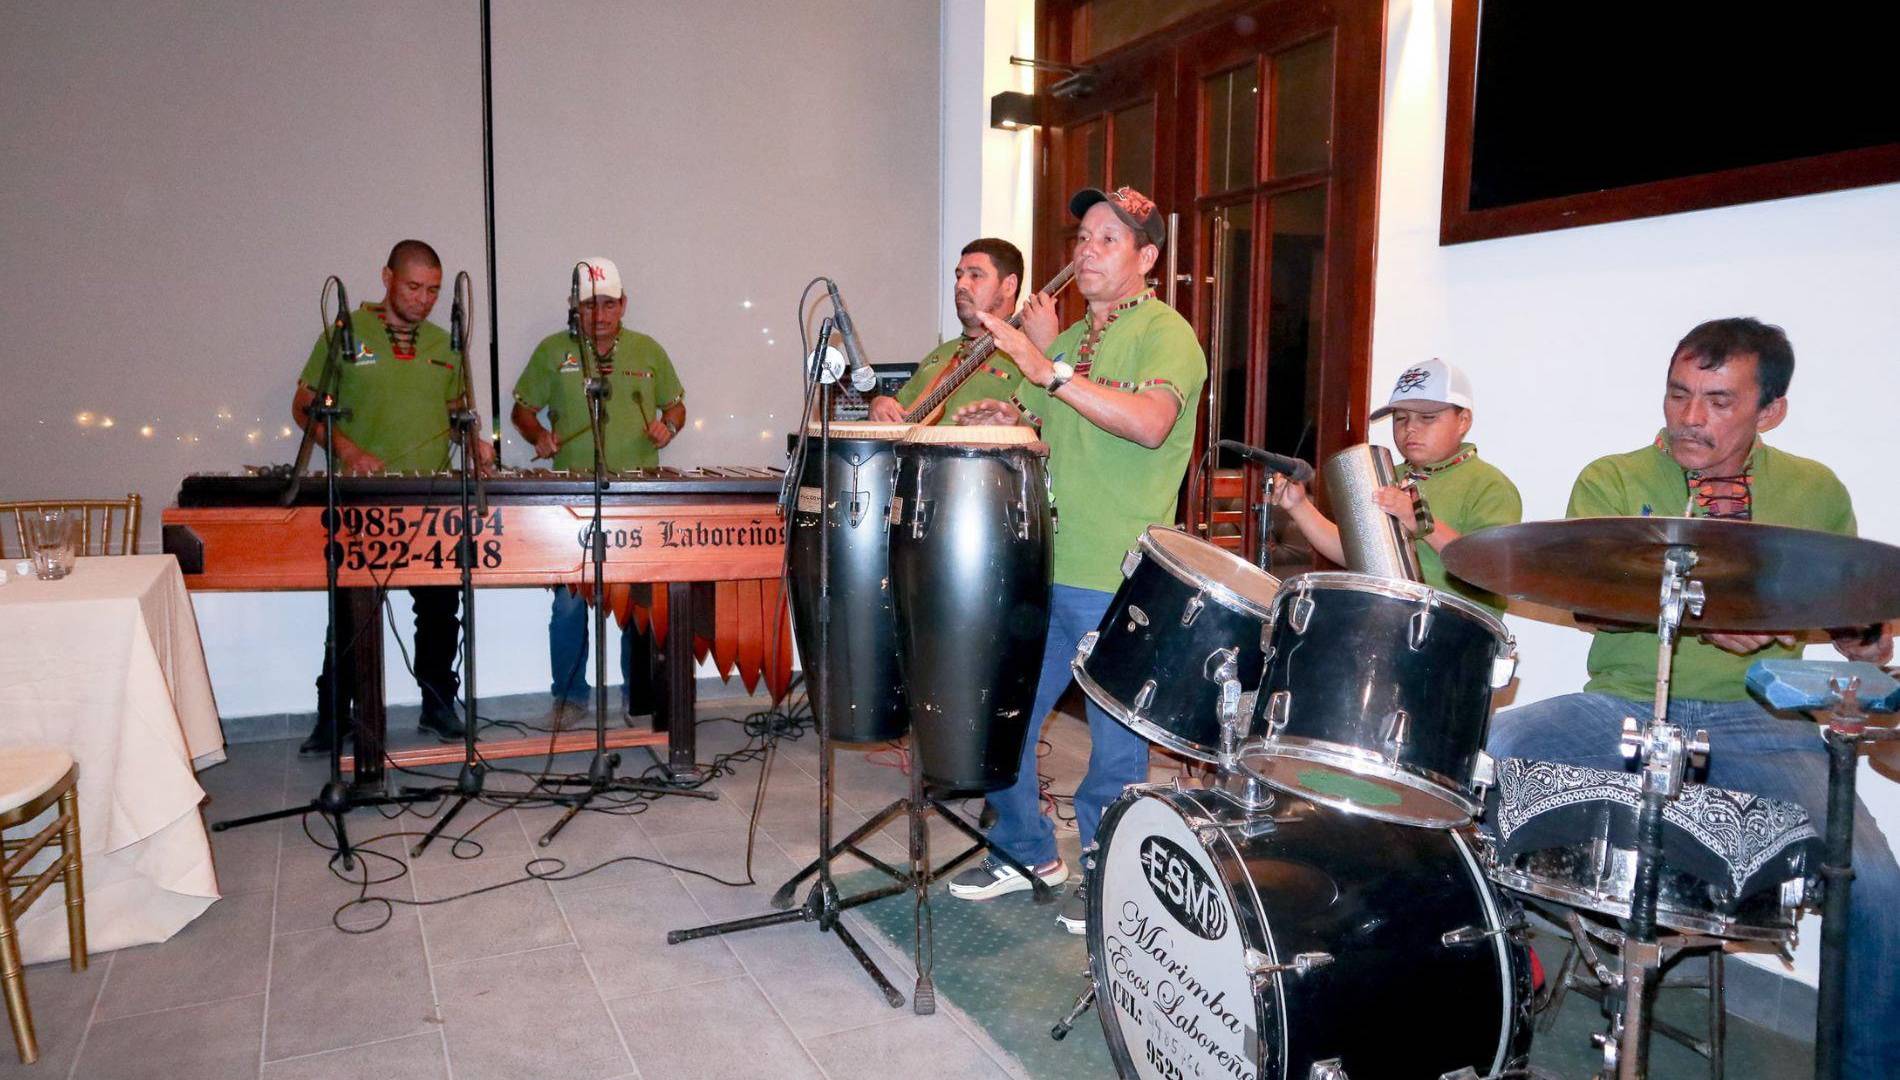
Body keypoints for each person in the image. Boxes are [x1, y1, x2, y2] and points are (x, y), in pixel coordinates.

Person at [1485, 317, 1898, 1073]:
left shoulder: (1814, 492)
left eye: (1718, 401)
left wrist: (1864, 642)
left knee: (1875, 884)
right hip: (1623, 707)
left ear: (1769, 411)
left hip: (1763, 722)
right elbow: (1592, 603)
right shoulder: (1614, 479)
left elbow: (1852, 625)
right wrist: (1714, 612)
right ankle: (1492, 982)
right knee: (1488, 759)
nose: (1689, 418)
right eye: (1679, 395)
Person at [944, 187, 1208, 934]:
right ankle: (1026, 851)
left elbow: (1152, 425)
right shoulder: (1069, 340)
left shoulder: (1166, 334)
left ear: (1146, 259)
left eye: (1106, 241)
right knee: (1004, 721)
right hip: (1045, 563)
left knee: (1115, 751)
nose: (1084, 252)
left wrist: (1048, 372)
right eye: (1082, 237)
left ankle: (1111, 883)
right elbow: (1059, 432)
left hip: (1116, 573)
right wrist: (1014, 418)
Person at [291, 239, 491, 753]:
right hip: (363, 497)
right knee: (351, 612)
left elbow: (457, 409)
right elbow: (306, 403)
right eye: (414, 287)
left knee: (441, 610)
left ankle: (439, 706)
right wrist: (351, 452)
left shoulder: (444, 342)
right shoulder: (346, 332)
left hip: (431, 496)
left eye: (433, 290)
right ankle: (334, 716)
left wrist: (476, 446)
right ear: (386, 277)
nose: (424, 299)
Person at [511, 257, 685, 730]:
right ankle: (568, 697)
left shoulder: (648, 351)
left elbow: (677, 406)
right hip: (572, 501)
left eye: (609, 304)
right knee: (569, 602)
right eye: (590, 305)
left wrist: (667, 426)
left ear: (623, 305)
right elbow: (522, 409)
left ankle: (638, 695)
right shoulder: (552, 352)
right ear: (575, 307)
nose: (601, 314)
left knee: (638, 602)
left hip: (635, 496)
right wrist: (538, 436)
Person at [1273, 357, 1521, 609]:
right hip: (1382, 620)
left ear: (1463, 421)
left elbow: (1493, 573)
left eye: (1427, 418)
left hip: (1454, 636)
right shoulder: (1386, 473)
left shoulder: (1490, 485)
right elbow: (1354, 551)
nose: (1410, 428)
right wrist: (1299, 505)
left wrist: (1419, 521)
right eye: (1400, 418)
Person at [866, 238, 1025, 425]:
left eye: (975, 275)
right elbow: (897, 416)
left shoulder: (1028, 354)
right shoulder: (939, 355)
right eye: (959, 276)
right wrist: (878, 406)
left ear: (1009, 285)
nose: (961, 285)